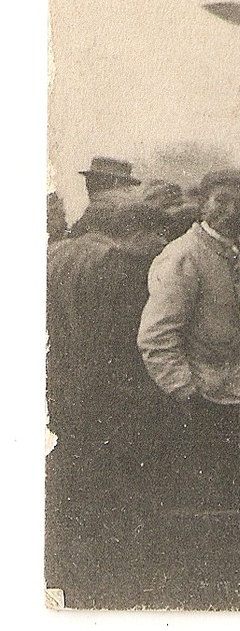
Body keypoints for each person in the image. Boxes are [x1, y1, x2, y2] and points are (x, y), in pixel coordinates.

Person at [137, 168, 240, 585]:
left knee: (232, 499)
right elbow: (156, 336)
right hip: (204, 401)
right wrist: (185, 391)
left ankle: (228, 581)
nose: (228, 210)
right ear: (204, 202)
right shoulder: (184, 256)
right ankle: (197, 589)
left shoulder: (237, 252)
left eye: (237, 202)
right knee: (202, 502)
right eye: (219, 200)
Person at [45, 198, 173, 598]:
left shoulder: (61, 252)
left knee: (73, 477)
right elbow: (120, 337)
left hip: (65, 381)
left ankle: (68, 565)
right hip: (105, 389)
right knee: (110, 487)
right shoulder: (112, 262)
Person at [66, 156, 142, 237]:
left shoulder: (101, 205)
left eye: (95, 179)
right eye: (89, 179)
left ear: (114, 181)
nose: (88, 184)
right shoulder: (132, 204)